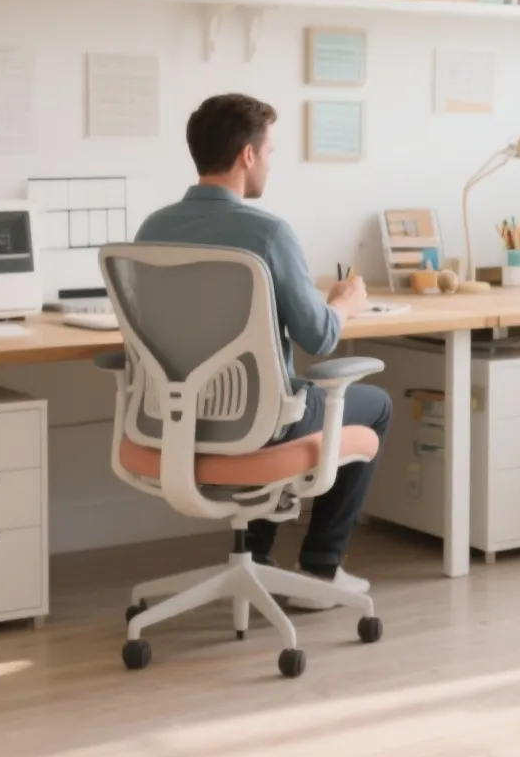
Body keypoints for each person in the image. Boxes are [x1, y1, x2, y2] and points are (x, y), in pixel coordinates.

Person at [136, 93, 389, 608]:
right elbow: (319, 337)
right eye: (270, 153)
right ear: (247, 156)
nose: (271, 165)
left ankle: (258, 557)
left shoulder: (153, 229)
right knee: (376, 405)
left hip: (175, 421)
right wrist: (344, 304)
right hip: (260, 423)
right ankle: (321, 568)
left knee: (275, 407)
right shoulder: (267, 233)